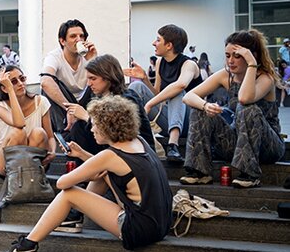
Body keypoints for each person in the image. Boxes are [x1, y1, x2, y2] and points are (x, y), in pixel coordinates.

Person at [0, 96, 173, 252]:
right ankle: (73, 217)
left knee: (69, 195)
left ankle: (27, 246)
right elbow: (112, 165)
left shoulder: (109, 155)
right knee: (103, 173)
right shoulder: (139, 141)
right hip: (161, 224)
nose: (91, 129)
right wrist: (82, 154)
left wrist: (88, 171)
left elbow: (62, 183)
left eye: (95, 124)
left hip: (139, 229)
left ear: (107, 128)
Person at [180, 30, 284, 189]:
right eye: (228, 56)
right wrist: (206, 106)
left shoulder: (265, 77)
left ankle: (250, 174)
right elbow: (188, 97)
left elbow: (245, 98)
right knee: (199, 109)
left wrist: (252, 64)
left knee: (247, 108)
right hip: (237, 143)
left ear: (251, 56)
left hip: (268, 147)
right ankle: (199, 172)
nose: (231, 61)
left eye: (237, 56)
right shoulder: (225, 75)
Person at [124, 24, 201, 164]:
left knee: (178, 93)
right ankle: (132, 135)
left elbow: (181, 85)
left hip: (192, 122)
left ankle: (173, 145)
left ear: (169, 45)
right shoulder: (160, 62)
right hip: (170, 120)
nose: (154, 43)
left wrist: (149, 104)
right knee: (136, 86)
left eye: (158, 40)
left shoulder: (189, 64)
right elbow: (158, 94)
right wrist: (145, 79)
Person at [63, 54, 155, 158]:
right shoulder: (95, 92)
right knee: (78, 127)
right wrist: (72, 112)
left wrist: (86, 116)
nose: (89, 83)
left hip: (136, 154)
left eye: (93, 79)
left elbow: (117, 134)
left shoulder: (127, 99)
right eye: (88, 79)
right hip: (110, 149)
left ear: (108, 77)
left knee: (81, 126)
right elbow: (79, 109)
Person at [0, 65, 56, 179]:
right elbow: (19, 123)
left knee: (39, 132)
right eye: (13, 82)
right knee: (19, 133)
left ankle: (28, 174)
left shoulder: (41, 101)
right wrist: (10, 91)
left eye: (22, 78)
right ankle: (24, 176)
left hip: (35, 160)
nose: (20, 83)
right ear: (4, 88)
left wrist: (52, 152)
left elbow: (50, 136)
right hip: (5, 162)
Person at [40, 19, 96, 133]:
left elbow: (102, 83)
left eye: (82, 36)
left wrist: (93, 60)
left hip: (84, 100)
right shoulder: (54, 57)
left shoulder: (88, 56)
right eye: (73, 36)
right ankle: (65, 132)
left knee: (99, 82)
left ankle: (96, 128)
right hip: (64, 102)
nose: (79, 39)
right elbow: (45, 81)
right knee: (48, 84)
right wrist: (70, 110)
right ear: (62, 41)